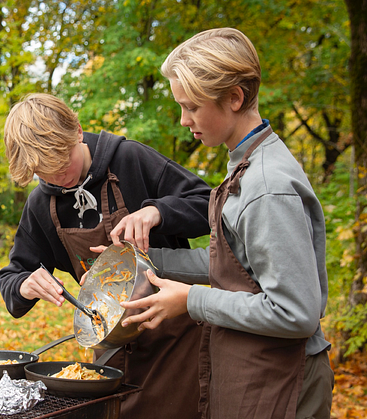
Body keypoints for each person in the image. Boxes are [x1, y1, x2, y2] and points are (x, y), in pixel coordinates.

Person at [108, 28, 334, 418]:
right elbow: (234, 265)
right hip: (256, 370)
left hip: (285, 380)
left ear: (234, 97)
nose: (183, 120)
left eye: (192, 106)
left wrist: (191, 301)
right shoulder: (243, 165)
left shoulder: (267, 186)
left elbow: (296, 312)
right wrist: (136, 260)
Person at [0, 93, 212, 419]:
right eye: (45, 173)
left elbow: (209, 204)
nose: (59, 179)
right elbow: (12, 279)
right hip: (111, 348)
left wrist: (158, 211)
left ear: (79, 132)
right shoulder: (41, 203)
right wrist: (25, 284)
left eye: (62, 162)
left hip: (176, 338)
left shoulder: (130, 159)